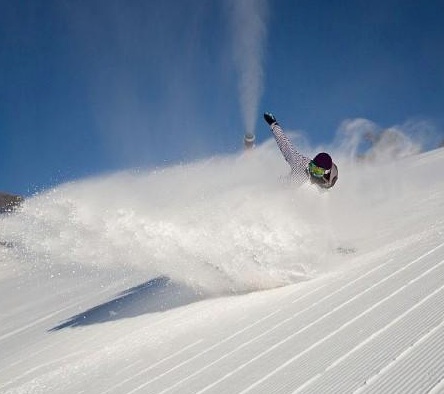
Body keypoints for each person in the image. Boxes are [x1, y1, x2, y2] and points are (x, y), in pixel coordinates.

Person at [264, 112, 338, 189]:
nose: (313, 173)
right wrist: (273, 124)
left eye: (318, 171)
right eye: (313, 168)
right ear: (311, 164)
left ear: (325, 173)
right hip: (281, 188)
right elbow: (286, 146)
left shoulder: (327, 183)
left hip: (301, 198)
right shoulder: (300, 163)